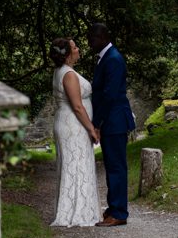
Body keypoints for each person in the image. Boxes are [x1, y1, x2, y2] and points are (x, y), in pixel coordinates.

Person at [48, 37, 101, 227]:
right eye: (75, 47)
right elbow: (77, 106)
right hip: (73, 125)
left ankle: (75, 207)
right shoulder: (68, 74)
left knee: (74, 165)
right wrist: (91, 129)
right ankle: (77, 212)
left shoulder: (60, 71)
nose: (78, 49)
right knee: (77, 165)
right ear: (68, 54)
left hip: (68, 123)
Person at [88, 23, 135, 227]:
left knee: (116, 167)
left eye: (93, 39)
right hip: (111, 120)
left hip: (114, 121)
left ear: (103, 37)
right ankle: (113, 208)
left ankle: (119, 212)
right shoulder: (105, 57)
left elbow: (109, 95)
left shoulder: (113, 59)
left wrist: (97, 123)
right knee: (112, 166)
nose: (90, 44)